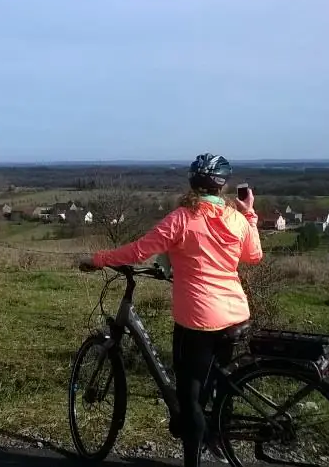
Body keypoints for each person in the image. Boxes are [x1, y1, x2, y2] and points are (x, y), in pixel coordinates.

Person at [79, 153, 263, 467]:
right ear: (223, 186)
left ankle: (193, 456)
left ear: (192, 183)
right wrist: (250, 215)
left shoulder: (181, 218)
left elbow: (139, 251)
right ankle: (216, 432)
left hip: (198, 319)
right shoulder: (236, 219)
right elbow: (254, 255)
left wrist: (97, 259)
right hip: (235, 314)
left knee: (189, 398)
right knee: (216, 383)